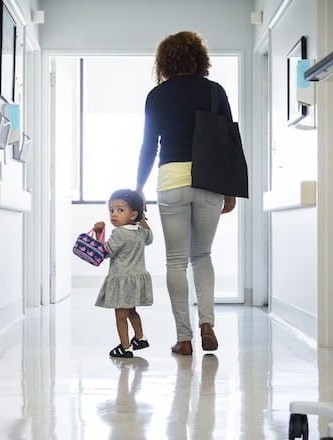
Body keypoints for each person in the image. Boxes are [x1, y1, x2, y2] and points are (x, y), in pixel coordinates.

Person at [136, 31, 237, 356]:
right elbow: (227, 140)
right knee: (202, 256)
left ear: (165, 61)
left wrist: (138, 189)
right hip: (209, 180)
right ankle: (208, 323)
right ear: (199, 58)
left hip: (172, 180)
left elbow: (149, 146)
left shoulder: (157, 96)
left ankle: (184, 338)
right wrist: (230, 187)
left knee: (176, 261)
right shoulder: (215, 91)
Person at [94, 189, 154, 358]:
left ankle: (125, 347)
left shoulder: (119, 233)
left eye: (120, 210)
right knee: (132, 311)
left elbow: (104, 252)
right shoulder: (140, 231)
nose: (114, 214)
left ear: (133, 214)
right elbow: (150, 238)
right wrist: (142, 220)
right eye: (111, 210)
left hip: (122, 280)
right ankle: (140, 338)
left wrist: (99, 234)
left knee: (120, 316)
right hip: (136, 280)